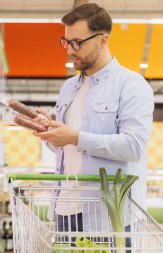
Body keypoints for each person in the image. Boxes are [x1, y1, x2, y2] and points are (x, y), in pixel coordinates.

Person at [32, 2, 154, 247]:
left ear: (103, 40)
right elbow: (64, 151)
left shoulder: (131, 85)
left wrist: (76, 137)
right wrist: (50, 133)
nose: (70, 51)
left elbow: (133, 146)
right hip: (65, 210)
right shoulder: (68, 88)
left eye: (78, 43)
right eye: (67, 42)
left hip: (108, 217)